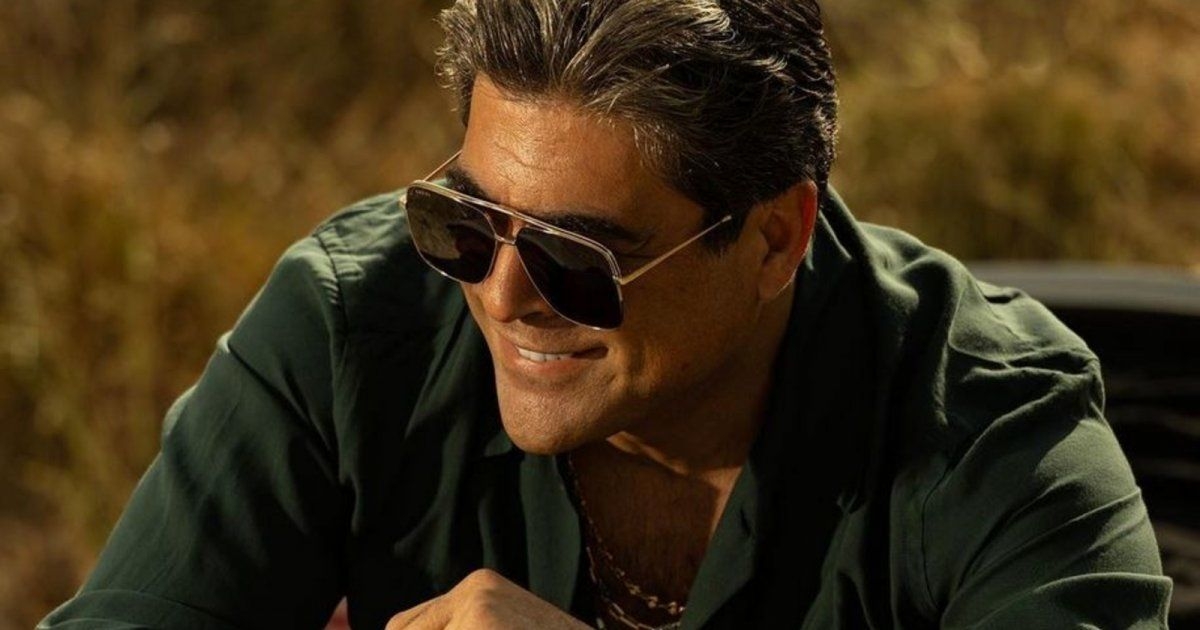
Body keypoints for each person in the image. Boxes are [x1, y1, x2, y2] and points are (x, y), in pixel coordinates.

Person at [41, 1, 1173, 628]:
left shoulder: (993, 431)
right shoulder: (352, 324)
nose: (499, 294)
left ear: (774, 239)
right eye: (463, 223)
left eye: (576, 260)